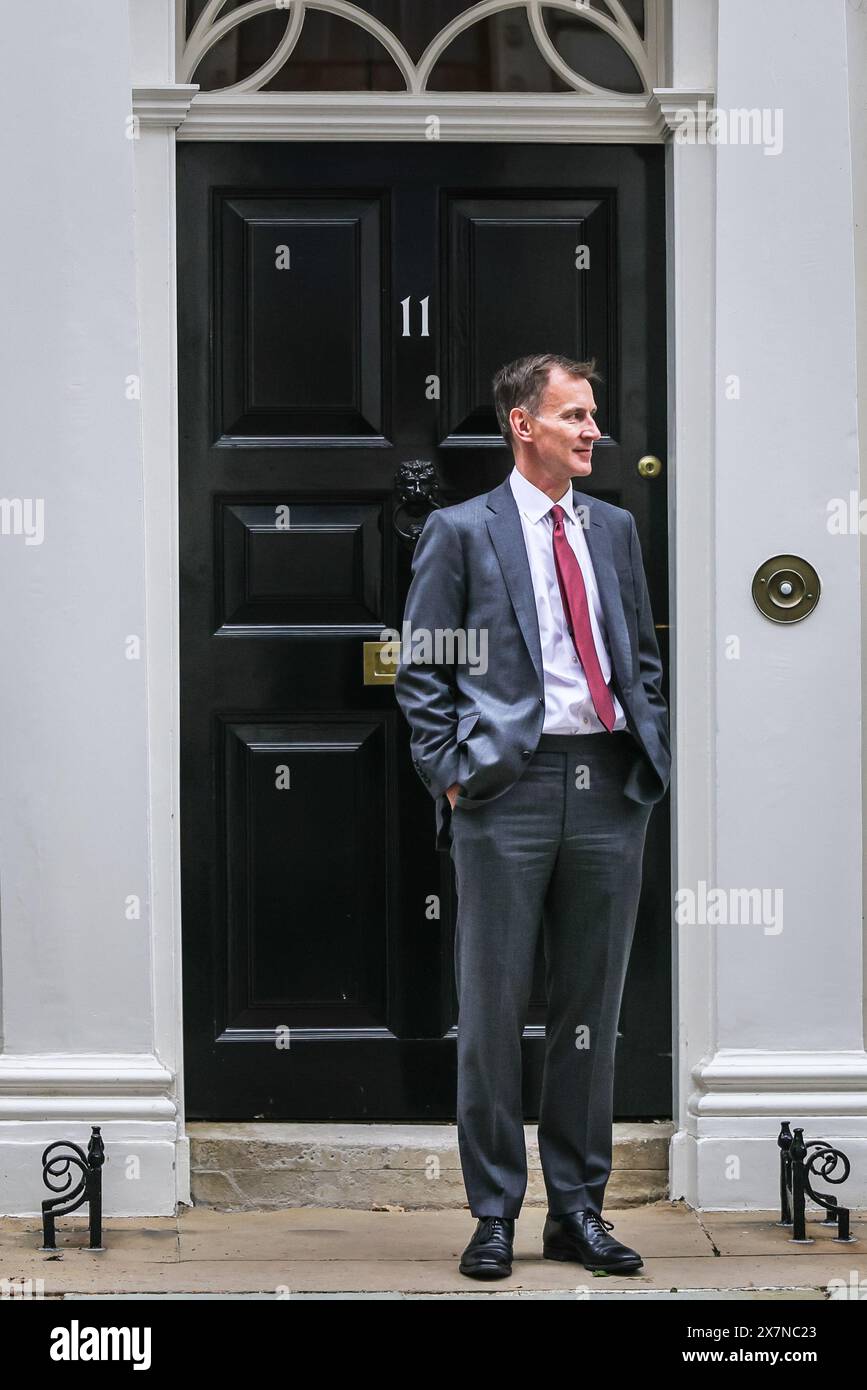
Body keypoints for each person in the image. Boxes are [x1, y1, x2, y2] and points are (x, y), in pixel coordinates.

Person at [394, 352, 671, 1279]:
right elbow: (425, 665)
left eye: (593, 417)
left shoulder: (615, 529)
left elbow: (639, 654)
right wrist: (452, 774)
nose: (594, 431)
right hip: (503, 790)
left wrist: (648, 747)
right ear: (524, 423)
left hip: (606, 782)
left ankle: (578, 1210)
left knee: (590, 1011)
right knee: (491, 1007)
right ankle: (492, 1215)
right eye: (576, 416)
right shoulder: (460, 532)